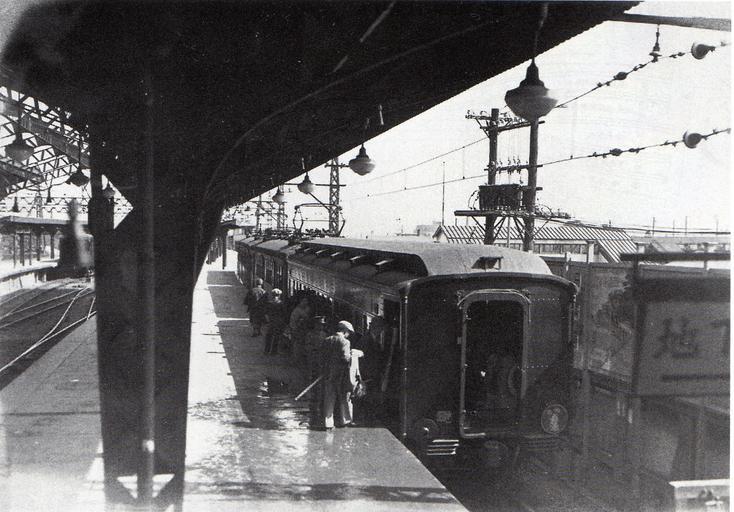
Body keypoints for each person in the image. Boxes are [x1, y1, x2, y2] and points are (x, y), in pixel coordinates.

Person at [321, 320, 354, 429]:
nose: (349, 334)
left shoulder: (327, 340)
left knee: (329, 398)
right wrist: (352, 356)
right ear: (345, 331)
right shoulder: (345, 342)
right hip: (341, 374)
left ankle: (328, 423)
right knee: (344, 397)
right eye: (349, 332)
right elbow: (345, 358)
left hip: (328, 373)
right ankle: (345, 420)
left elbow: (322, 357)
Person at [304, 316, 328, 428]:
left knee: (322, 382)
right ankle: (313, 402)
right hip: (313, 361)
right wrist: (315, 350)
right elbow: (307, 347)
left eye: (322, 324)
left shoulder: (324, 334)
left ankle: (320, 401)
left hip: (322, 361)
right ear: (315, 325)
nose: (321, 326)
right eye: (319, 324)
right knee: (313, 379)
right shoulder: (310, 335)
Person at [288, 297, 312, 365]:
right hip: (297, 330)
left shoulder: (307, 309)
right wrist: (295, 328)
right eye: (303, 301)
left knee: (302, 345)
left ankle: (300, 360)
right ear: (300, 302)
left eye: (306, 301)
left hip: (303, 330)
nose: (305, 303)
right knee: (296, 345)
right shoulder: (297, 310)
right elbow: (293, 321)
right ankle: (295, 360)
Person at [263, 288, 286, 354]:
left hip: (271, 321)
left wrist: (268, 320)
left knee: (269, 336)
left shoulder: (269, 303)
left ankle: (266, 350)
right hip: (278, 321)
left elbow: (265, 313)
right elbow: (284, 313)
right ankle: (274, 351)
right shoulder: (281, 303)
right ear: (279, 295)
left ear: (272, 295)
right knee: (276, 336)